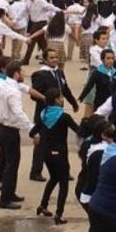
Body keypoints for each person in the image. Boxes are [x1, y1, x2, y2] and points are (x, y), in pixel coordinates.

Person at [29, 88, 80, 224]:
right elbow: (79, 130)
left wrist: (36, 136)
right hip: (60, 154)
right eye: (61, 97)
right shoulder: (64, 117)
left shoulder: (43, 114)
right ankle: (59, 214)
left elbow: (32, 132)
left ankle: (43, 205)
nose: (62, 100)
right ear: (56, 100)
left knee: (53, 178)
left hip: (46, 154)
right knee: (63, 183)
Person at [0, 60, 32, 210]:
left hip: (4, 126)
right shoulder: (13, 91)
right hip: (10, 129)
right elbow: (18, 113)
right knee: (12, 164)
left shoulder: (5, 86)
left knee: (12, 162)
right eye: (22, 72)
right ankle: (5, 199)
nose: (24, 74)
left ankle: (10, 192)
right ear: (16, 74)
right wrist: (31, 128)